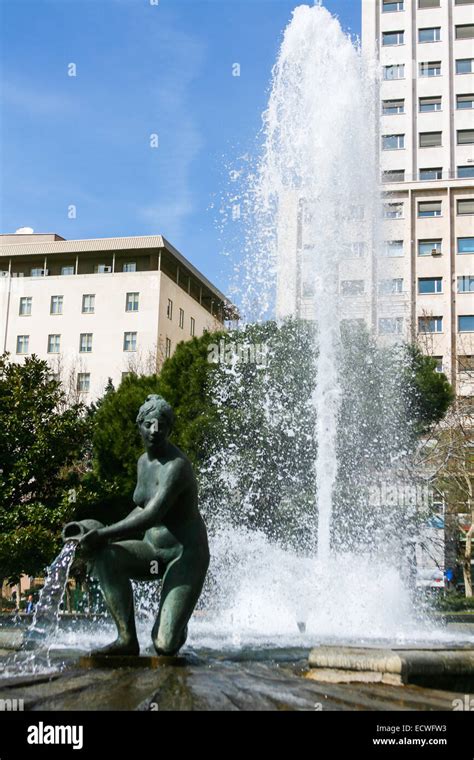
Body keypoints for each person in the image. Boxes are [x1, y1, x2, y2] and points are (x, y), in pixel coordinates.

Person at [79, 395, 210, 657]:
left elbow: (152, 515)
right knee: (107, 557)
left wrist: (104, 533)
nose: (155, 431)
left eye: (162, 425)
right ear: (139, 425)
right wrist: (101, 536)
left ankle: (175, 624)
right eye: (149, 424)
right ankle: (126, 639)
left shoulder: (177, 467)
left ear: (170, 429)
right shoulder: (142, 462)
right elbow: (141, 508)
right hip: (152, 551)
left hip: (185, 555)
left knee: (163, 645)